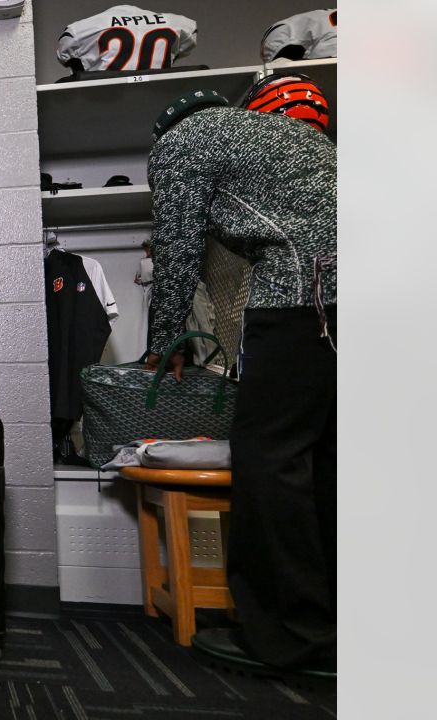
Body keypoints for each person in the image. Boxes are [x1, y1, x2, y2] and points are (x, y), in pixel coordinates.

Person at [143, 82, 336, 681]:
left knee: (270, 460)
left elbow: (177, 247)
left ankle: (289, 638)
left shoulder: (181, 143)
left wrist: (163, 340)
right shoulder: (308, 140)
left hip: (307, 298)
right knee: (329, 462)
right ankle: (344, 625)